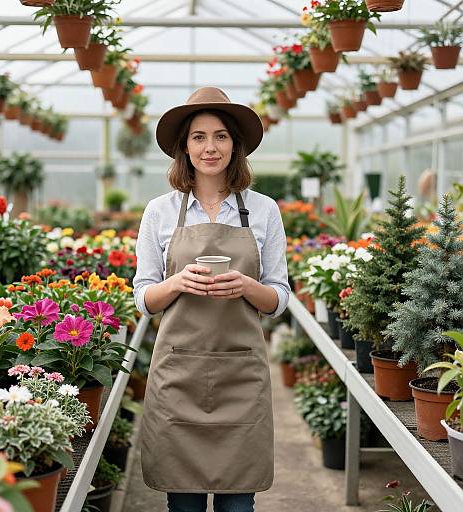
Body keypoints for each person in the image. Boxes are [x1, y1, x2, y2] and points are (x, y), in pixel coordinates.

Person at [133, 86, 291, 512]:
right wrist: (178, 282)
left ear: (235, 146)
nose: (210, 147)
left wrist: (246, 287)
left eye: (220, 136)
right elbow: (144, 297)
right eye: (199, 137)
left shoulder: (263, 210)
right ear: (184, 146)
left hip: (240, 374)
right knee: (182, 504)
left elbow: (279, 297)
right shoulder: (160, 211)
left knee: (238, 504)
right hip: (178, 374)